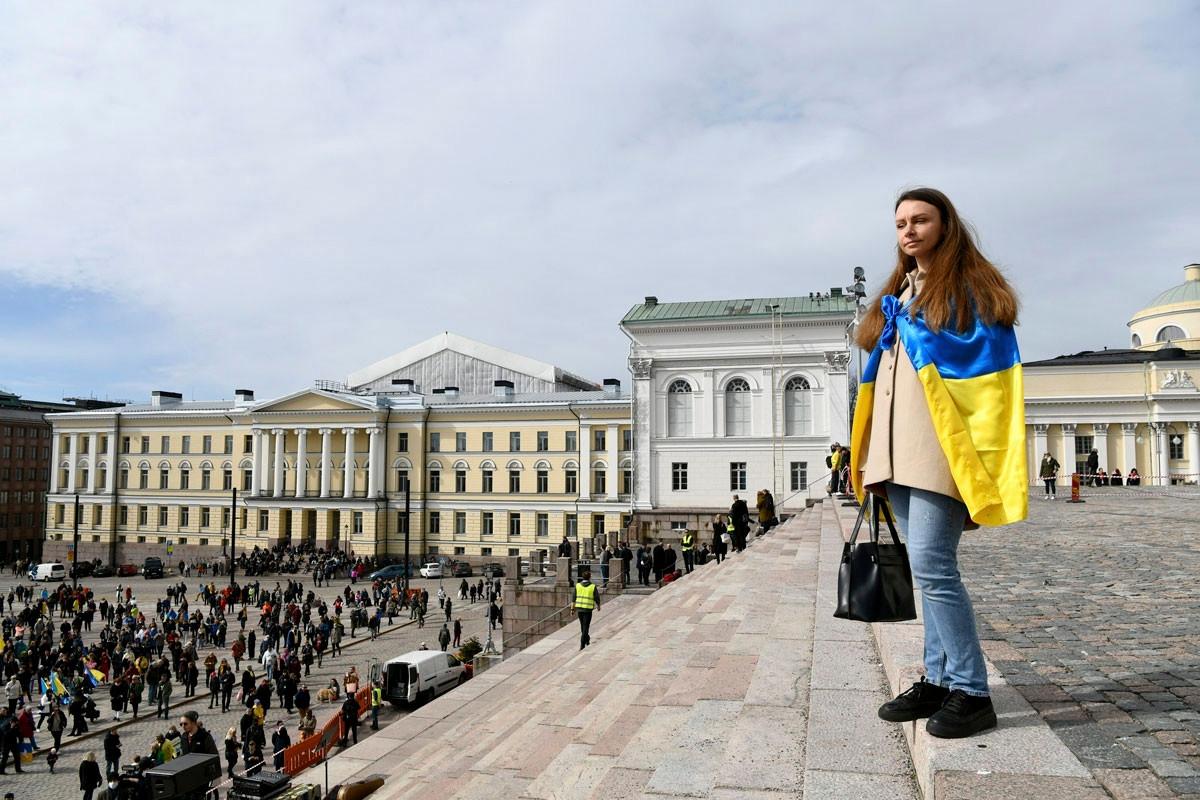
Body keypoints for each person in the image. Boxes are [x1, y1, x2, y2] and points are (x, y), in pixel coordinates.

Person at [854, 187, 1025, 740]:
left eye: (920, 220)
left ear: (944, 225)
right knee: (926, 571)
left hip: (939, 450)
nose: (908, 230)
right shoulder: (899, 293)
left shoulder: (969, 288)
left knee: (933, 566)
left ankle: (973, 692)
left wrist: (918, 329)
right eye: (901, 222)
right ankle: (938, 678)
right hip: (896, 449)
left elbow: (986, 364)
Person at [571, 568, 600, 650]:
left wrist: (572, 610)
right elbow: (596, 597)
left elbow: (573, 598)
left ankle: (587, 640)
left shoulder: (578, 586)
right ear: (589, 577)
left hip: (579, 609)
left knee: (582, 626)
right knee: (586, 626)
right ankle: (582, 643)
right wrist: (598, 605)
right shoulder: (592, 586)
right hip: (588, 610)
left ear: (582, 577)